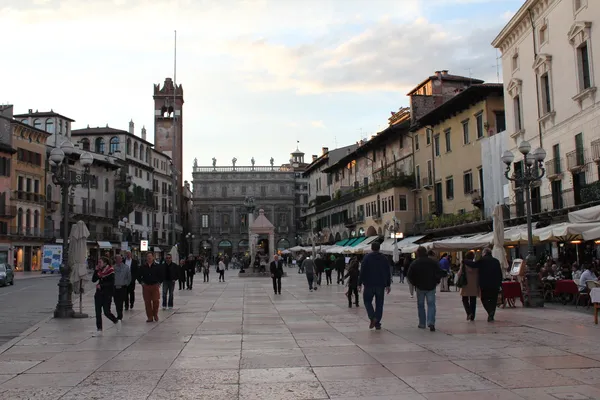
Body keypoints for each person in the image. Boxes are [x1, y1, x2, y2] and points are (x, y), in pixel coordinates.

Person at [463, 248, 503, 322]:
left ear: (484, 253)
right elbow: (500, 273)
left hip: (485, 284)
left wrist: (465, 261)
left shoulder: (482, 260)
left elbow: (473, 265)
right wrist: (500, 283)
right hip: (495, 284)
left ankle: (489, 311)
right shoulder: (496, 261)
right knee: (493, 300)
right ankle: (491, 314)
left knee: (484, 298)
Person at [358, 242, 391, 330]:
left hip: (369, 284)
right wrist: (388, 284)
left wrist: (359, 283)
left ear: (372, 248)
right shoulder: (384, 258)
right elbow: (388, 272)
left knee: (367, 301)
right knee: (379, 303)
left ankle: (372, 317)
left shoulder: (367, 257)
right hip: (380, 284)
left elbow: (362, 271)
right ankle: (377, 321)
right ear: (379, 248)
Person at [407, 246, 441, 332]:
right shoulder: (433, 262)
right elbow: (439, 272)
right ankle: (431, 322)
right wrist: (436, 281)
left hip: (420, 287)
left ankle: (422, 323)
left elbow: (409, 275)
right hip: (431, 286)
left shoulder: (415, 263)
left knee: (421, 305)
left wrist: (415, 283)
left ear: (418, 253)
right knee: (431, 304)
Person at [92, 257, 119, 333]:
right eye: (98, 262)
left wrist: (102, 285)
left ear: (105, 263)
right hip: (98, 294)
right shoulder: (99, 271)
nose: (99, 264)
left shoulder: (110, 271)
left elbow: (111, 283)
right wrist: (96, 270)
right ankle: (99, 328)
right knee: (97, 312)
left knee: (106, 312)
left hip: (107, 294)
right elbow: (93, 280)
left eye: (100, 262)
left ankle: (116, 321)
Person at [137, 252, 164, 323]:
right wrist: (141, 282)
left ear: (153, 257)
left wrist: (159, 282)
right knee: (147, 302)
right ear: (146, 258)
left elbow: (161, 275)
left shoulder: (157, 266)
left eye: (150, 256)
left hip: (155, 285)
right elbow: (138, 275)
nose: (149, 258)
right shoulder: (143, 267)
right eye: (148, 257)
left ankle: (155, 315)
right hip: (146, 286)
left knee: (156, 301)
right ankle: (149, 317)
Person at [456, 251, 479, 321]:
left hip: (465, 283)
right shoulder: (476, 264)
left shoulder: (464, 264)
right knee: (473, 300)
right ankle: (472, 315)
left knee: (464, 299)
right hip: (474, 284)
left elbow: (459, 273)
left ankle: (468, 312)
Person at [112, 255, 131, 321]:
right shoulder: (113, 267)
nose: (118, 260)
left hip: (123, 287)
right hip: (115, 287)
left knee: (121, 302)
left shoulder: (126, 267)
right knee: (116, 302)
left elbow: (129, 277)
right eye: (117, 259)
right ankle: (119, 313)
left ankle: (120, 315)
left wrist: (126, 284)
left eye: (119, 259)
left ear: (121, 259)